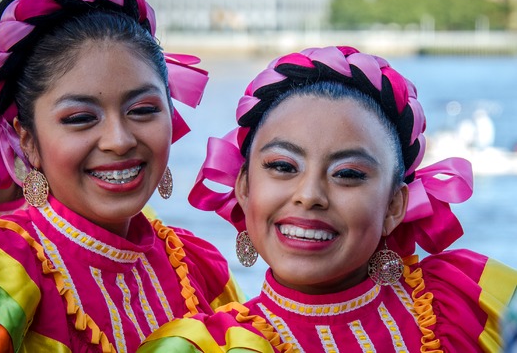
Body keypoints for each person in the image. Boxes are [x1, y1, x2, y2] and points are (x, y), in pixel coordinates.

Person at [138, 45, 517, 352]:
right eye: (283, 167)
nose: (309, 195)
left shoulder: (468, 301)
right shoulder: (204, 346)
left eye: (348, 174)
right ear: (244, 187)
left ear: (394, 206)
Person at [0, 0, 243, 352]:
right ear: (28, 140)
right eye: (80, 118)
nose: (120, 140)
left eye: (142, 110)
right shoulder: (6, 267)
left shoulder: (198, 269)